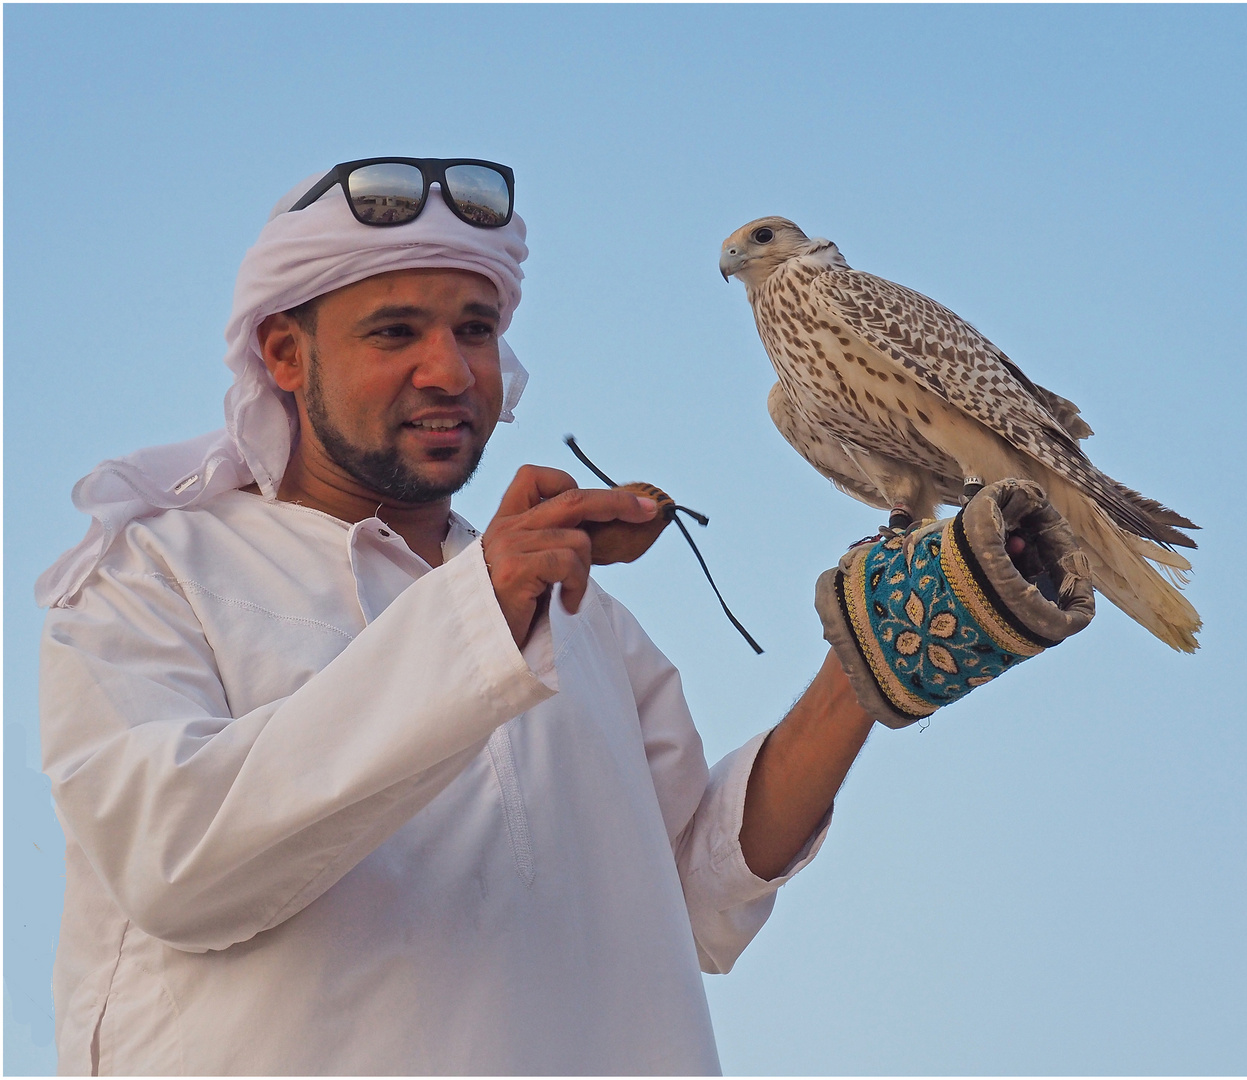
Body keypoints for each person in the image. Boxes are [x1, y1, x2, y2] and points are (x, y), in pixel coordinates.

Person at [37, 157, 1091, 1075]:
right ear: (283, 356)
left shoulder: (580, 619)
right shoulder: (152, 575)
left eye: (476, 329)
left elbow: (697, 891)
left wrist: (867, 661)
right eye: (394, 332)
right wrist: (483, 601)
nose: (448, 371)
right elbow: (177, 862)